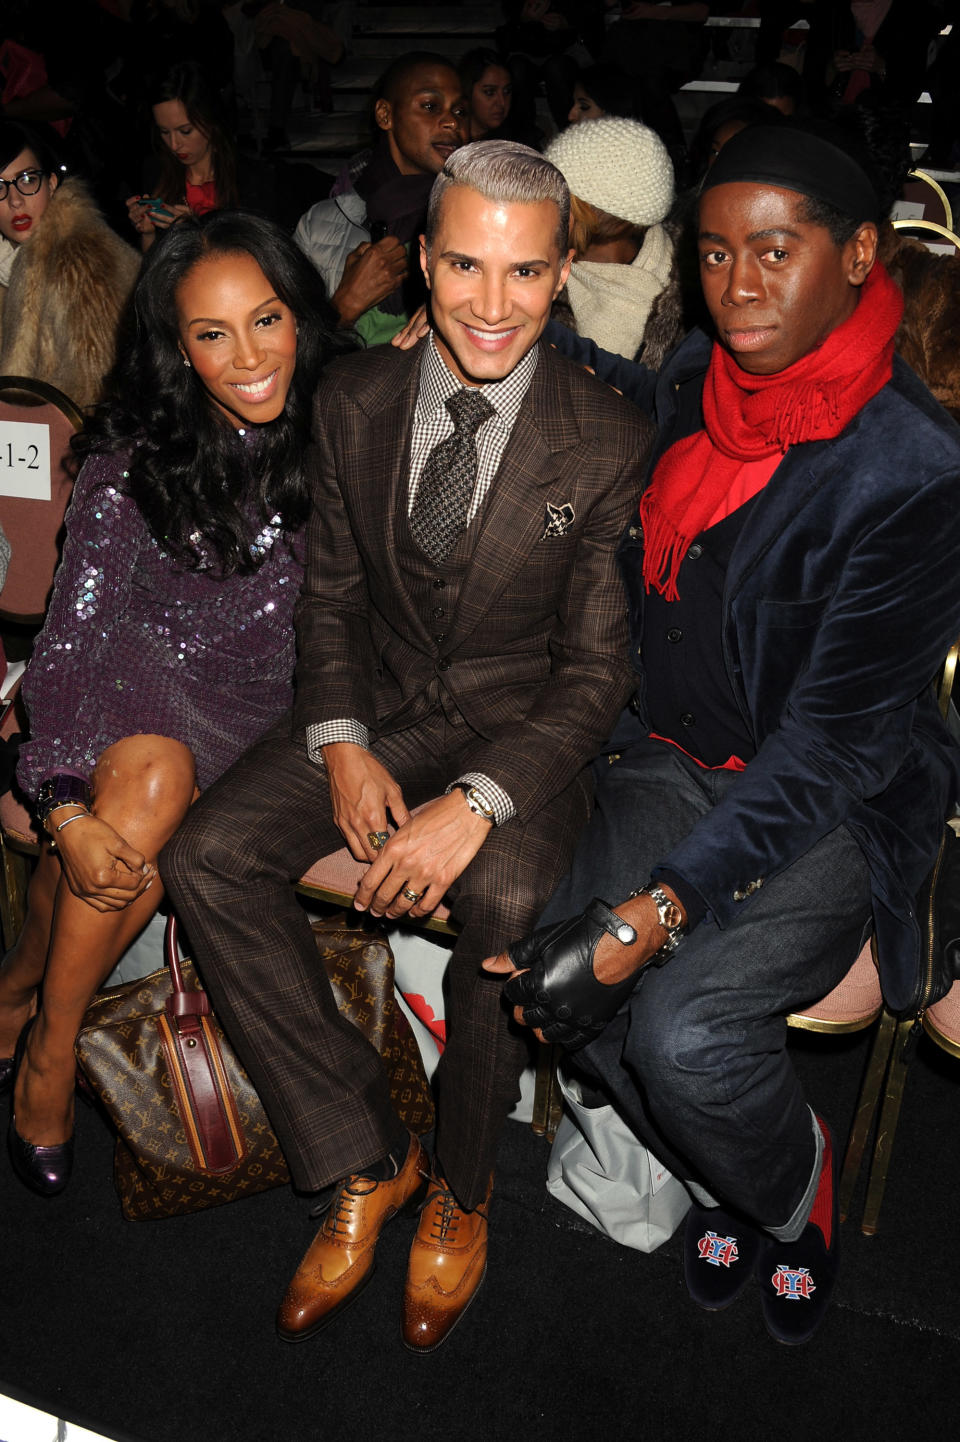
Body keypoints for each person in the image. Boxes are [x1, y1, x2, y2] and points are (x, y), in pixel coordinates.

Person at [159, 139, 651, 1353]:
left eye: (525, 273)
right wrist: (338, 742)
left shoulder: (608, 435)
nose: (493, 304)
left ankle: (466, 1187)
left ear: (561, 275)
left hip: (520, 732)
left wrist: (477, 799)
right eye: (467, 266)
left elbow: (596, 674)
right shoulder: (354, 397)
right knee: (207, 855)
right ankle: (366, 1149)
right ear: (423, 260)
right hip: (373, 706)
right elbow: (328, 601)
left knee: (506, 896)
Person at [488, 123, 960, 1346]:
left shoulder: (913, 470)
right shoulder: (709, 369)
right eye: (711, 252)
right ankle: (724, 1176)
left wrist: (656, 911)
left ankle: (791, 1195)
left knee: (680, 1026)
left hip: (830, 803)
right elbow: (652, 399)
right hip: (675, 754)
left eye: (773, 250)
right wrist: (517, 326)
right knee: (549, 968)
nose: (737, 283)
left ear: (860, 256)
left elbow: (834, 750)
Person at [0, 209, 347, 1197]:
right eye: (211, 333)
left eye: (267, 319)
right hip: (137, 684)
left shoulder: (346, 423)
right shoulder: (137, 453)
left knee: (134, 825)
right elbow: (76, 634)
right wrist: (60, 798)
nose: (247, 355)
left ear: (300, 317)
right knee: (147, 789)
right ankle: (52, 1048)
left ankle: (23, 990)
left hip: (264, 709)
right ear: (178, 347)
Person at [294, 51, 469, 346]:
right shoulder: (320, 224)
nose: (451, 121)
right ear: (385, 115)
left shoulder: (477, 219)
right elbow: (288, 355)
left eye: (461, 111)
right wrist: (344, 307)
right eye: (430, 106)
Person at [0, 120, 140, 409]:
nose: (15, 201)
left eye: (28, 180)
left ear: (51, 184)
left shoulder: (82, 259)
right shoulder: (8, 261)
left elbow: (97, 395)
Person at [545, 116, 682, 369]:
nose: (541, 203)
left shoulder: (691, 296)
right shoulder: (532, 270)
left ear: (609, 214)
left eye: (561, 196)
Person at [126, 61, 278, 251]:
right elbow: (154, 271)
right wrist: (147, 232)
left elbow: (260, 257)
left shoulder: (251, 179)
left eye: (186, 131)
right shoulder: (156, 172)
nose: (174, 144)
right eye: (164, 132)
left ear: (210, 122)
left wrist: (193, 230)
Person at [460, 48, 513, 141]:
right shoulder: (451, 142)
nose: (502, 102)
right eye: (490, 92)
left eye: (507, 92)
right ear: (467, 91)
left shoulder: (514, 143)